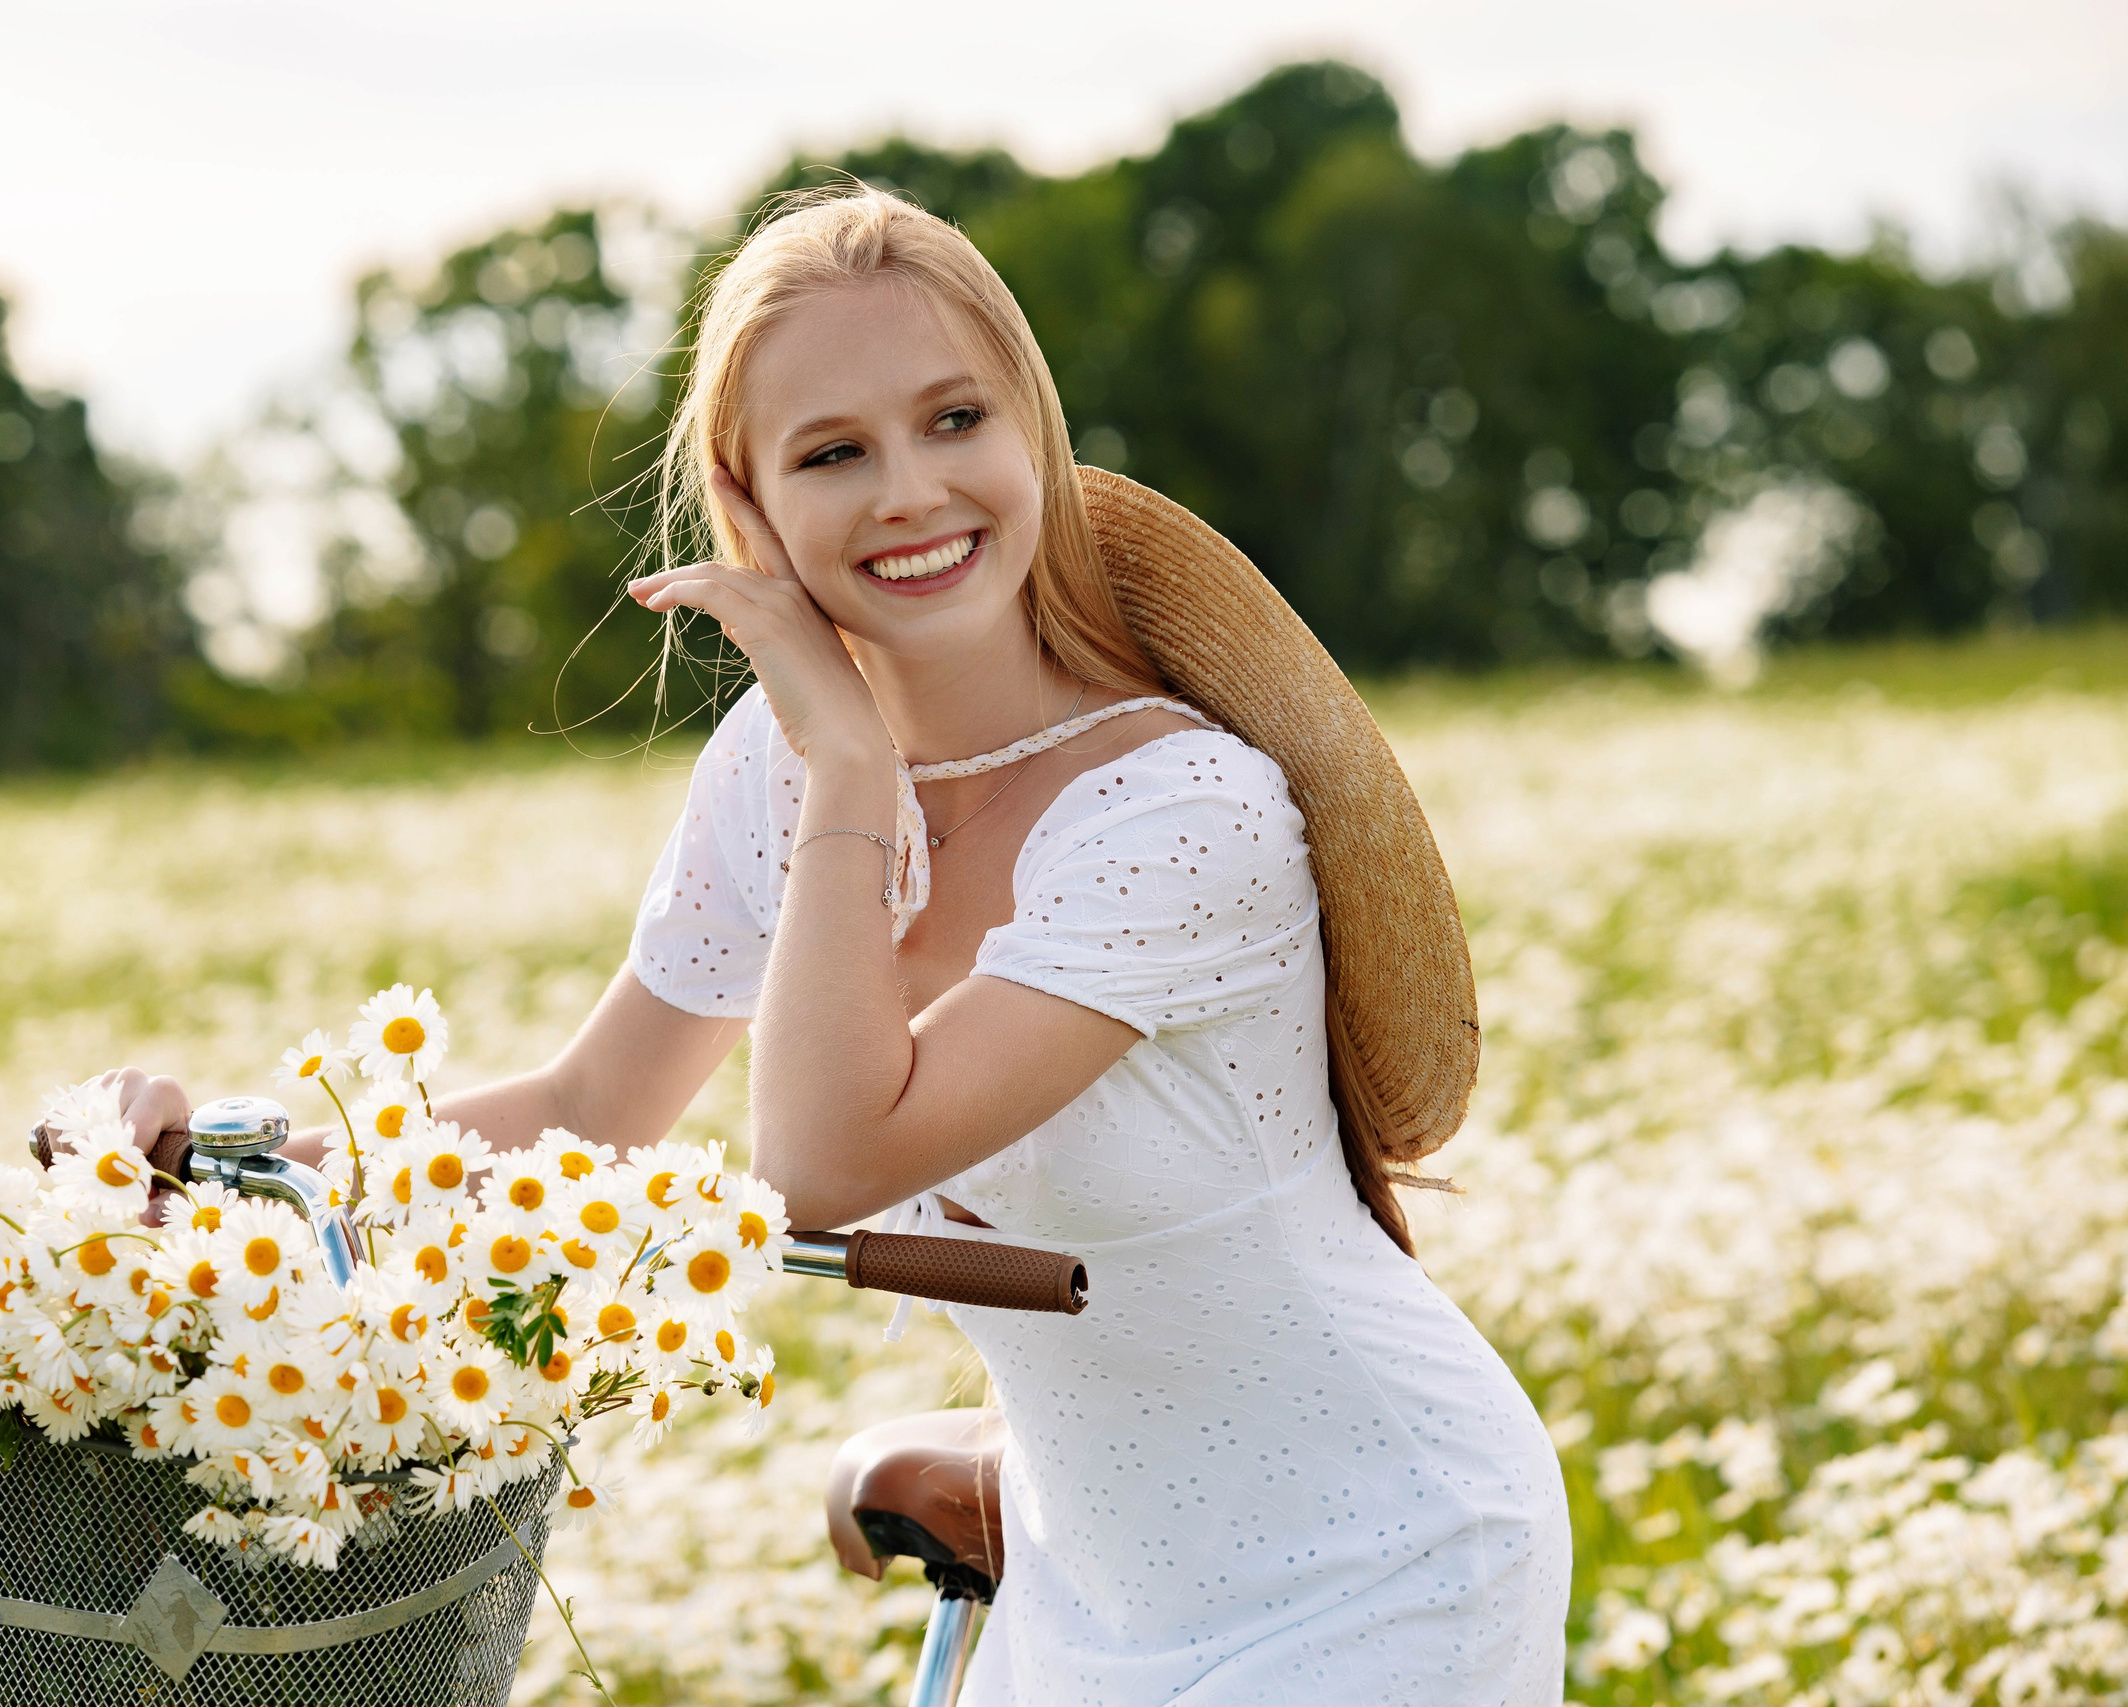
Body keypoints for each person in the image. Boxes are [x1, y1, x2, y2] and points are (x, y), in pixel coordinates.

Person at [89, 188, 1569, 1704]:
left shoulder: (1181, 809)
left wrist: (855, 775)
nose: (912, 491)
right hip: (1090, 1585)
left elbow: (818, 1160)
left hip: (1383, 1562)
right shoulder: (775, 761)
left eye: (954, 419)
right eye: (835, 453)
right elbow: (591, 1113)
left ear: (1034, 438)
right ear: (754, 510)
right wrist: (239, 1170)